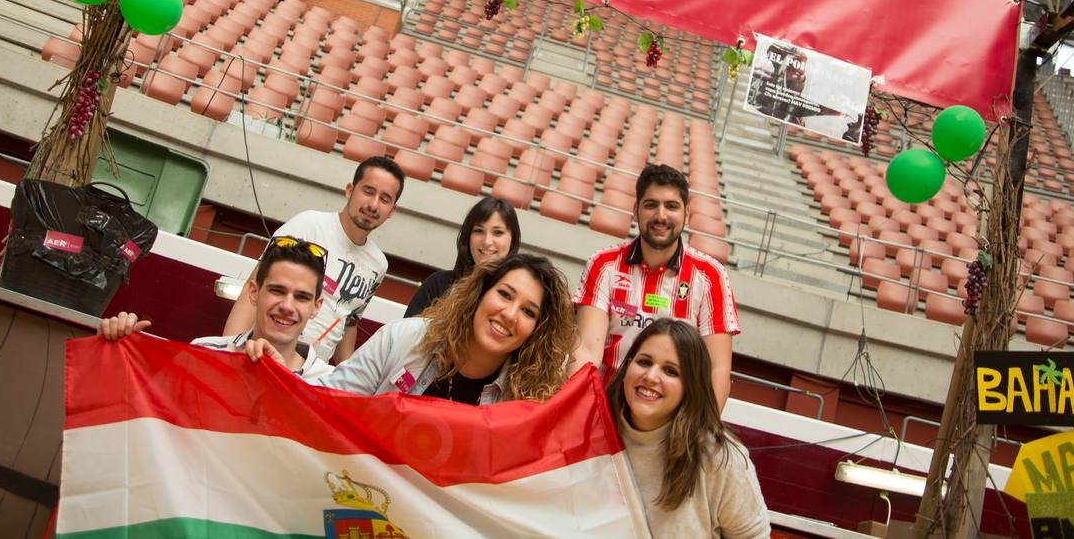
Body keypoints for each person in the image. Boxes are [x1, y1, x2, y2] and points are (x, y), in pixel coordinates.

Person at [572, 163, 739, 410]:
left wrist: (699, 433)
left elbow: (717, 369)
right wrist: (578, 413)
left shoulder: (710, 276)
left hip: (672, 422)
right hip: (606, 409)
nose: (661, 216)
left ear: (686, 213)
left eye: (671, 206)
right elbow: (587, 350)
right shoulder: (604, 265)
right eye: (651, 205)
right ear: (636, 210)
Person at [316, 253, 576, 404]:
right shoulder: (403, 338)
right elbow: (327, 402)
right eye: (505, 295)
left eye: (528, 311)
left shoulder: (526, 401)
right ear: (480, 294)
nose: (509, 314)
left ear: (537, 330)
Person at [223, 155, 405, 364]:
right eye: (368, 191)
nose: (373, 205)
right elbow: (253, 288)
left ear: (392, 210)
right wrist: (230, 352)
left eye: (384, 199)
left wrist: (343, 376)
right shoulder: (307, 225)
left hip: (313, 374)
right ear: (350, 190)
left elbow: (349, 321)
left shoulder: (379, 265)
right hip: (265, 356)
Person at [608, 320, 769, 538]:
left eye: (670, 371)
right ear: (627, 366)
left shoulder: (720, 458)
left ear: (691, 386)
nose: (651, 376)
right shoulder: (595, 433)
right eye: (644, 362)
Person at [97, 236, 334, 380]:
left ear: (316, 307)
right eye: (277, 291)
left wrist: (284, 384)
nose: (287, 306)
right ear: (253, 292)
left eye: (301, 297)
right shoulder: (204, 352)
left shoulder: (328, 383)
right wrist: (113, 355)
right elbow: (152, 417)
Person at [403, 196, 522, 318]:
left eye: (498, 233)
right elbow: (405, 334)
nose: (487, 241)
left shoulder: (520, 297)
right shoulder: (437, 284)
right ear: (468, 236)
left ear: (513, 240)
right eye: (479, 231)